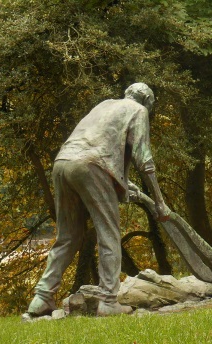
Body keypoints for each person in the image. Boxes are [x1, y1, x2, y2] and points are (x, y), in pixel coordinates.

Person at [26, 83, 170, 317]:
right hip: (91, 166)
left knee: (68, 236)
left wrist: (123, 183)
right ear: (146, 100)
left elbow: (102, 144)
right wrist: (160, 202)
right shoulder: (138, 110)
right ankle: (109, 300)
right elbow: (144, 160)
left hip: (63, 163)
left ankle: (41, 297)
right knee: (109, 233)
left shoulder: (104, 105)